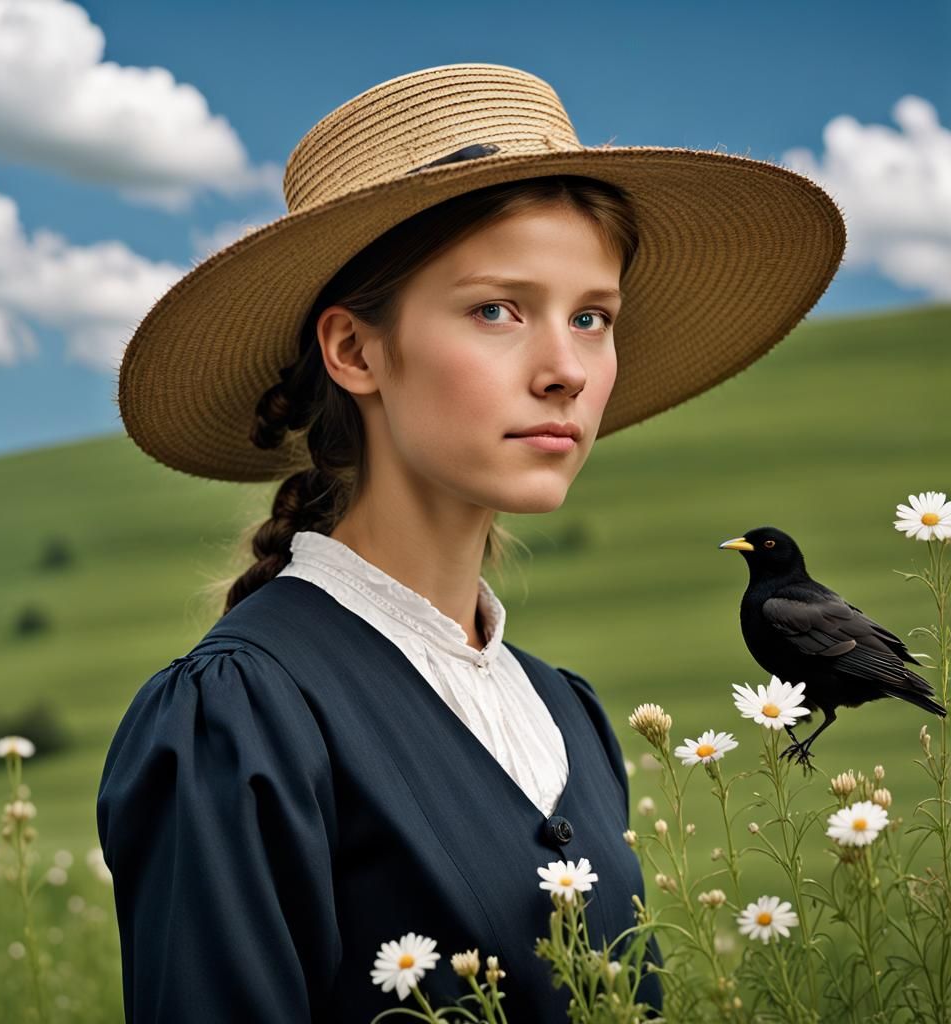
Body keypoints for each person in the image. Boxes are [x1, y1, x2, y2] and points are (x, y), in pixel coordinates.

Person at [96, 62, 845, 1022]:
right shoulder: (234, 717)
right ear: (355, 350)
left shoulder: (568, 713)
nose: (567, 370)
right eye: (498, 309)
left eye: (592, 317)